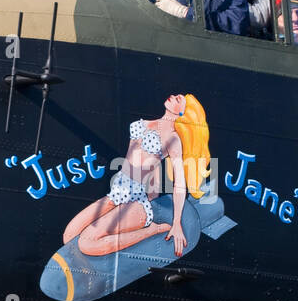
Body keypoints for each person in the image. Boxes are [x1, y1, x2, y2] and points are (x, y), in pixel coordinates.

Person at [61, 93, 210, 259]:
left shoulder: (173, 139)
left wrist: (176, 223)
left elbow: (180, 184)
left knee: (86, 242)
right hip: (118, 191)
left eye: (178, 99)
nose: (173, 96)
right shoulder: (142, 124)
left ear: (183, 112)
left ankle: (151, 230)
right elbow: (148, 166)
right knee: (69, 236)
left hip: (136, 200)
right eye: (176, 95)